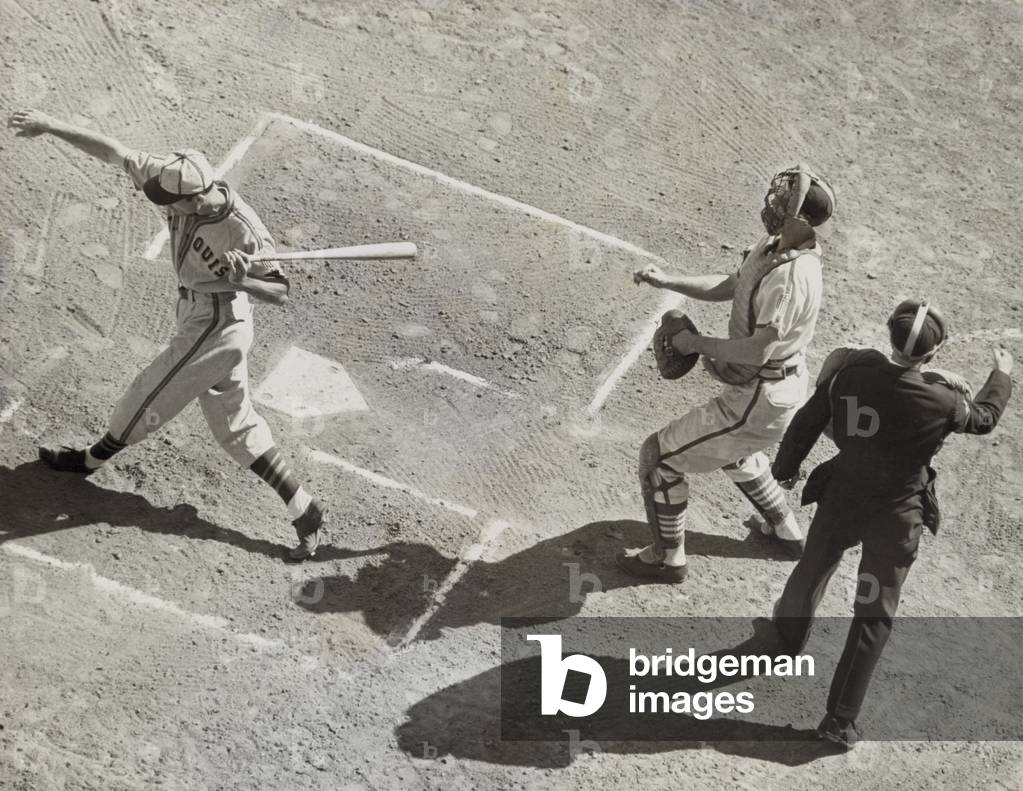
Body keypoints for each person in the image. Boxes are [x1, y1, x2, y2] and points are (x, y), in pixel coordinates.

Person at [7, 108, 326, 562]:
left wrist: (243, 279)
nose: (157, 199)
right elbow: (115, 153)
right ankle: (305, 509)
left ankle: (89, 460)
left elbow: (278, 292)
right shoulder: (176, 179)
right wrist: (51, 125)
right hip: (197, 313)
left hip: (216, 327)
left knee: (147, 393)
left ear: (196, 199)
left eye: (168, 199)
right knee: (234, 427)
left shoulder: (245, 230)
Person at [766, 299, 1013, 748]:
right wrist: (1001, 375)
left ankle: (783, 640)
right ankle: (838, 722)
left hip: (842, 497)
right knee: (872, 616)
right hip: (895, 519)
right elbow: (984, 418)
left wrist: (786, 467)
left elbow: (808, 420)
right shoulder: (943, 400)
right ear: (933, 353)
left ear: (890, 337)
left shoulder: (851, 372)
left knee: (812, 568)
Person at [621, 164, 835, 582]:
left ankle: (668, 560)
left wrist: (695, 344)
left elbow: (757, 350)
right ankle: (785, 531)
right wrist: (668, 281)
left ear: (801, 219)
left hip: (761, 397)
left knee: (657, 458)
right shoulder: (776, 245)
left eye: (784, 201)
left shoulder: (791, 277)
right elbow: (733, 284)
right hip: (769, 391)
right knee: (734, 448)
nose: (772, 202)